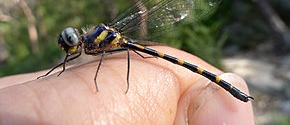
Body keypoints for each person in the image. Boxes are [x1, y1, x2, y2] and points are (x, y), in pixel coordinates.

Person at [0, 46, 254, 124]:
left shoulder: (98, 43)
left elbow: (105, 61)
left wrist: (99, 80)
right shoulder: (90, 44)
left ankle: (232, 92)